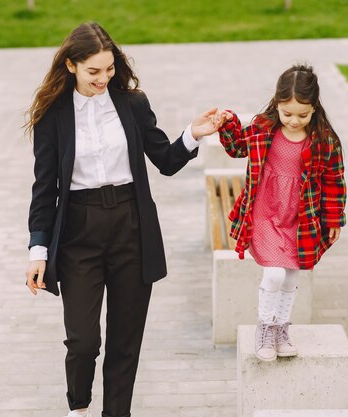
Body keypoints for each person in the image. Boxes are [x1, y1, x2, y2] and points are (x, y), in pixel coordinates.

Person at [24, 22, 218, 417]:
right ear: (71, 66)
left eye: (109, 69)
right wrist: (38, 249)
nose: (103, 78)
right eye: (94, 71)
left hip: (131, 227)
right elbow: (44, 188)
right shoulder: (53, 116)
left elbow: (163, 160)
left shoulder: (132, 104)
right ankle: (78, 407)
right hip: (79, 230)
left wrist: (192, 135)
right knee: (82, 340)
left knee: (125, 342)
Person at [212, 64, 347, 362]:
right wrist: (228, 123)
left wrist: (334, 217)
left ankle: (281, 329)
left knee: (290, 277)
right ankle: (265, 326)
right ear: (277, 104)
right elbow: (236, 147)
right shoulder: (263, 127)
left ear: (315, 108)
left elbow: (334, 180)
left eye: (303, 114)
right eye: (288, 114)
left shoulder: (324, 140)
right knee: (273, 273)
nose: (295, 120)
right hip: (264, 211)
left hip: (298, 218)